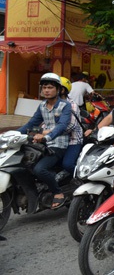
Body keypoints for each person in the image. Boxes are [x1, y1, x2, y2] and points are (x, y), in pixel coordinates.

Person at [18, 73, 71, 209]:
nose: (46, 90)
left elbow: (62, 126)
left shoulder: (65, 105)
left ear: (58, 90)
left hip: (59, 144)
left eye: (50, 87)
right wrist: (12, 134)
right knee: (23, 162)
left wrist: (47, 136)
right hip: (43, 145)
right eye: (44, 87)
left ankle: (58, 193)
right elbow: (31, 124)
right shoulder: (42, 106)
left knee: (40, 169)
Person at [59, 77, 83, 174]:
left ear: (62, 90)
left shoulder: (72, 105)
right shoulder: (49, 104)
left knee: (67, 164)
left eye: (53, 87)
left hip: (73, 140)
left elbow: (70, 126)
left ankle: (80, 177)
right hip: (56, 139)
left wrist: (49, 133)